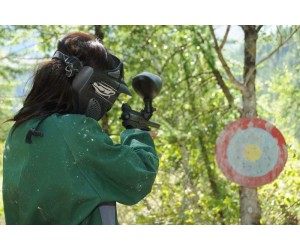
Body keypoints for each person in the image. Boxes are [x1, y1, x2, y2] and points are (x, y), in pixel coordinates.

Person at [2, 32, 159, 225]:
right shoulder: (73, 130)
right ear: (87, 83)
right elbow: (138, 177)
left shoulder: (19, 130)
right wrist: (138, 134)